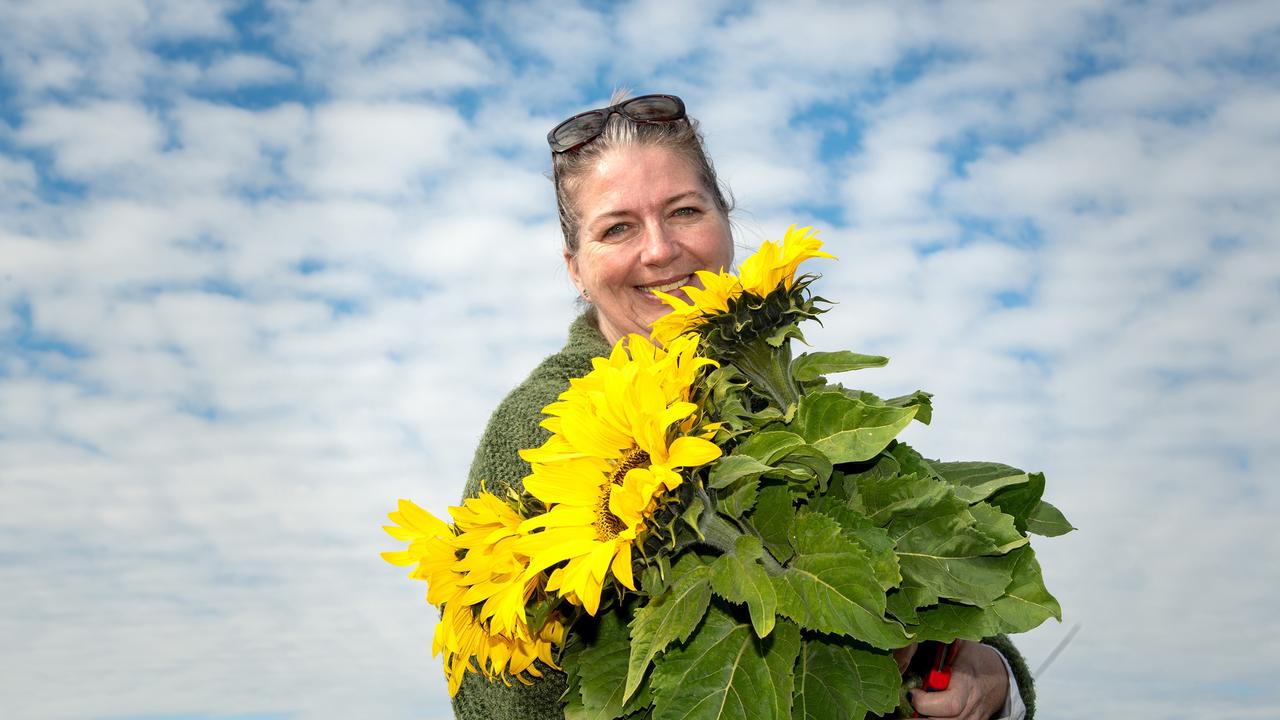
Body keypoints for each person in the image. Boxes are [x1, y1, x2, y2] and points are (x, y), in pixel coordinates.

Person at [452, 92, 1035, 720]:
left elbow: (925, 576)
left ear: (725, 222)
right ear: (575, 268)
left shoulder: (786, 397)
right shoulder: (539, 425)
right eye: (617, 227)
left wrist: (990, 675)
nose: (659, 250)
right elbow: (496, 695)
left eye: (683, 211)